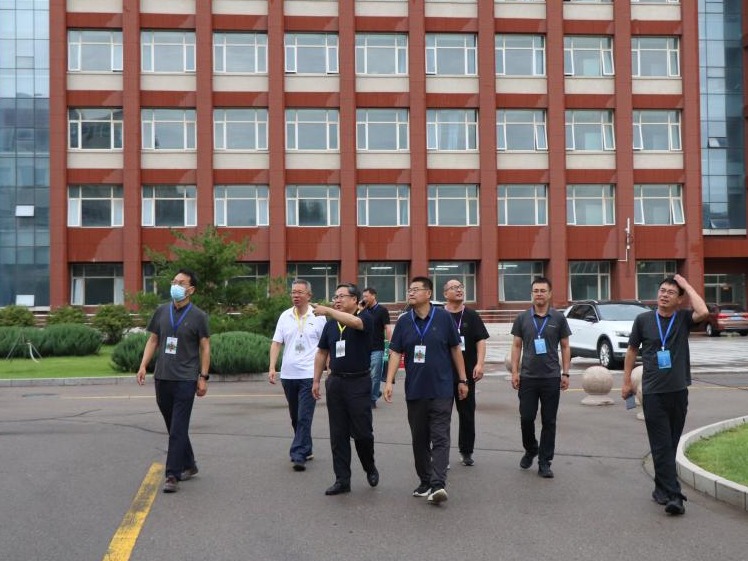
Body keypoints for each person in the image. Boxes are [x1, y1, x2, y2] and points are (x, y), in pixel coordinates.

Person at [622, 274, 708, 516]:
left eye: (671, 292)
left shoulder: (682, 319)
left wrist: (687, 285)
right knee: (661, 445)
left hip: (678, 391)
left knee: (669, 444)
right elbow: (631, 350)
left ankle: (660, 489)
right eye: (662, 290)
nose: (664, 295)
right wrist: (626, 382)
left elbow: (703, 312)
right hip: (653, 392)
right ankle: (675, 496)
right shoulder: (643, 320)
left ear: (679, 299)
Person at [383, 276, 468, 505]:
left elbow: (455, 349)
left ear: (428, 294)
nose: (410, 293)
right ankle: (425, 480)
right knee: (419, 438)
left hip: (442, 388)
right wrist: (389, 381)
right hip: (415, 389)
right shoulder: (404, 321)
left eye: (415, 289)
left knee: (440, 436)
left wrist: (462, 379)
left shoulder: (443, 318)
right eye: (409, 290)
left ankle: (438, 484)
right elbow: (395, 352)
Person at [137, 269, 211, 493]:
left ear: (191, 289)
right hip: (162, 377)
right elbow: (153, 340)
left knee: (178, 427)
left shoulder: (198, 316)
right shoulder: (161, 311)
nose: (176, 286)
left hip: (186, 379)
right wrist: (143, 365)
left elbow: (205, 347)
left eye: (181, 283)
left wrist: (203, 377)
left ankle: (172, 475)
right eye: (174, 281)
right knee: (173, 426)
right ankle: (189, 464)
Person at [312, 283, 379, 495]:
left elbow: (355, 323)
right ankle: (342, 480)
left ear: (354, 300)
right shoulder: (331, 325)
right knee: (338, 434)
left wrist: (327, 310)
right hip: (336, 383)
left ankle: (369, 466)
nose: (337, 300)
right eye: (335, 297)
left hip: (358, 382)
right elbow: (322, 353)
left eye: (341, 296)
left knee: (362, 433)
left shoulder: (365, 317)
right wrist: (316, 380)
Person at [510, 276, 571, 479]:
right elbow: (516, 345)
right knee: (526, 418)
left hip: (551, 377)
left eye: (543, 291)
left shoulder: (558, 318)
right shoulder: (522, 318)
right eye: (536, 291)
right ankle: (531, 448)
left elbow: (565, 346)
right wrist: (515, 372)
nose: (539, 294)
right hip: (528, 377)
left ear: (550, 294)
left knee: (549, 421)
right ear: (532, 294)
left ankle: (545, 462)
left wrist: (566, 373)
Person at [269, 279, 327, 472]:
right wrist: (272, 367)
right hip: (288, 375)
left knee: (304, 416)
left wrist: (328, 370)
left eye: (300, 292)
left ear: (309, 295)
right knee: (295, 416)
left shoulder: (319, 317)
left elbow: (325, 347)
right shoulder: (285, 316)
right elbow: (277, 343)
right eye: (293, 292)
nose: (295, 295)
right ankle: (306, 448)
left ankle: (298, 454)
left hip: (309, 374)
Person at [442, 279, 489, 467]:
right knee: (441, 416)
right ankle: (441, 454)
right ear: (445, 294)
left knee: (467, 414)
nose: (459, 290)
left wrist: (480, 363)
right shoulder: (439, 315)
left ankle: (466, 451)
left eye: (461, 287)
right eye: (454, 288)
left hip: (467, 375)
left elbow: (481, 340)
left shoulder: (471, 315)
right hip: (443, 375)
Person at [361, 287, 391, 408]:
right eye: (363, 296)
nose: (364, 299)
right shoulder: (363, 310)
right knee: (364, 375)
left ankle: (372, 399)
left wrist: (389, 345)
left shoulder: (382, 310)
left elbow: (387, 328)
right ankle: (375, 392)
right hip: (363, 348)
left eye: (366, 296)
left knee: (375, 375)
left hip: (377, 348)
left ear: (373, 296)